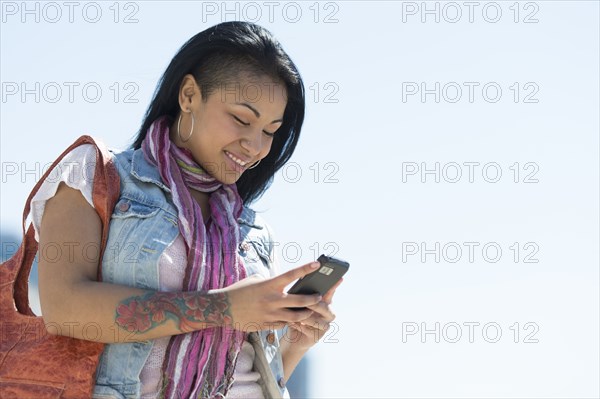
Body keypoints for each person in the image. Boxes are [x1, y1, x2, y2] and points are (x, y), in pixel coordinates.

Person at [33, 21, 341, 399]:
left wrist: (294, 343)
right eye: (242, 120)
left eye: (271, 130)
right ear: (189, 95)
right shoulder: (95, 174)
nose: (256, 146)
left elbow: (256, 375)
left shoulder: (253, 232)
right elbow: (63, 307)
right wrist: (223, 307)